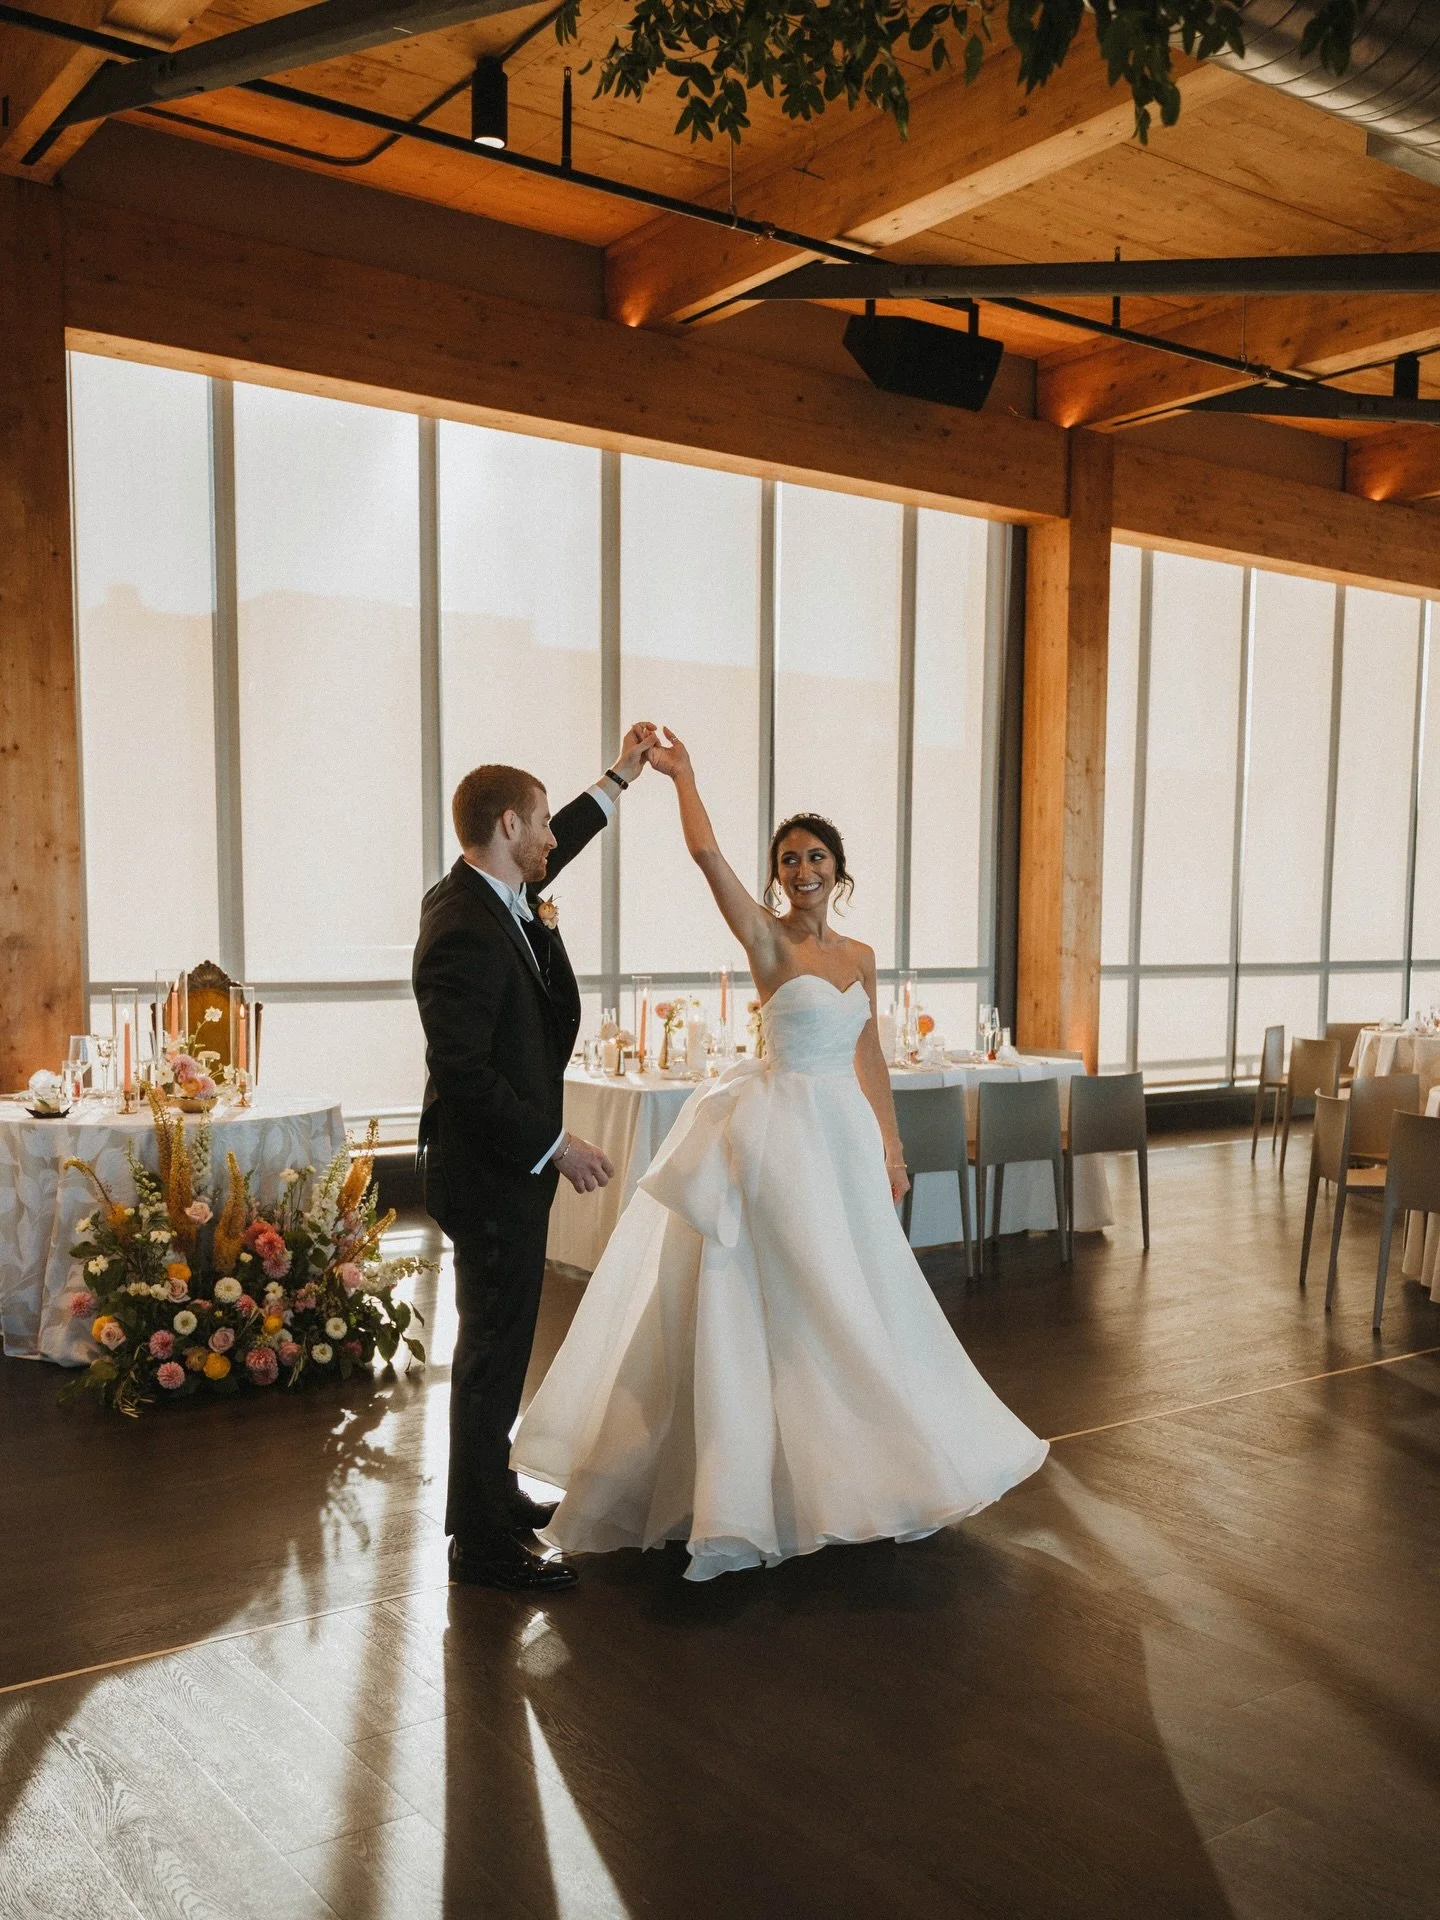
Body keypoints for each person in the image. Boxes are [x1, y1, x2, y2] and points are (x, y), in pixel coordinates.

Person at [513, 728, 1047, 1582]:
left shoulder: (861, 958)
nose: (803, 871)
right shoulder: (767, 941)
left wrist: (893, 1147)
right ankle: (751, 1482)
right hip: (778, 1137)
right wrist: (681, 773)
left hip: (842, 1138)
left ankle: (864, 1466)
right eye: (790, 859)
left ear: (840, 871)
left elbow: (868, 1053)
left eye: (817, 858)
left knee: (859, 1291)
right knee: (791, 1297)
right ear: (777, 874)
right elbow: (703, 853)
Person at [413, 725, 657, 1593]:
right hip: (490, 1172)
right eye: (544, 823)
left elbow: (567, 847)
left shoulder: (492, 894)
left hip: (499, 1170)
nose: (554, 839)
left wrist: (620, 778)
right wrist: (556, 1147)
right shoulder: (463, 929)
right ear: (510, 825)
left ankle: (493, 1489)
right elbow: (464, 1074)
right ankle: (477, 1542)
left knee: (505, 1346)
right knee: (489, 1351)